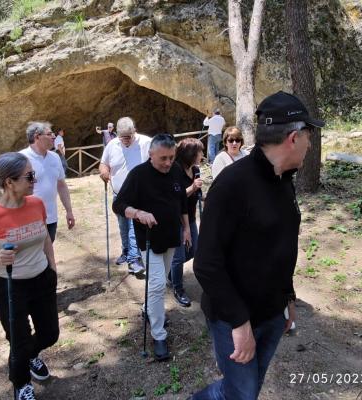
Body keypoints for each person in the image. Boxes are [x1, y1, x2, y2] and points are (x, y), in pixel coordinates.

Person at [191, 91, 325, 400]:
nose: (310, 143)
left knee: (245, 391)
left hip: (272, 314)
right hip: (234, 319)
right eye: (309, 135)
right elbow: (206, 264)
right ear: (293, 137)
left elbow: (279, 247)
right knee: (241, 394)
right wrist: (239, 323)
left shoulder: (283, 180)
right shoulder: (232, 185)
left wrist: (288, 296)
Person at [0, 152, 59, 400]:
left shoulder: (37, 204)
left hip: (42, 279)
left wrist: (52, 268)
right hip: (10, 286)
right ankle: (21, 384)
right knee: (18, 341)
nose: (35, 180)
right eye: (29, 176)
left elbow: (45, 240)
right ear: (9, 182)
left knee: (50, 334)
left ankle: (27, 356)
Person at [113, 134, 191, 360]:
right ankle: (159, 335)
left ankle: (149, 309)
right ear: (151, 154)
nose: (167, 163)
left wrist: (186, 228)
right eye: (163, 158)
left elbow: (182, 202)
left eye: (171, 157)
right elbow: (118, 204)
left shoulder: (175, 170)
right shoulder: (138, 175)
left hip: (171, 236)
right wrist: (138, 213)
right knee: (157, 285)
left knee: (160, 279)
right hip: (148, 239)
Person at [99, 117, 151, 275]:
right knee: (123, 226)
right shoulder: (112, 144)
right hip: (118, 195)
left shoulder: (146, 142)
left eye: (129, 137)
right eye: (123, 137)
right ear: (117, 134)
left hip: (138, 195)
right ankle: (126, 251)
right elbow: (103, 163)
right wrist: (104, 172)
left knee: (133, 226)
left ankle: (134, 259)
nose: (126, 140)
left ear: (134, 130)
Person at [20, 122, 75, 242]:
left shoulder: (55, 157)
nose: (54, 137)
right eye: (50, 134)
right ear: (37, 136)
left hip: (51, 218)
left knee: (48, 254)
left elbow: (61, 185)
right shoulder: (21, 158)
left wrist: (69, 211)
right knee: (33, 257)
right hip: (28, 220)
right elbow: (14, 190)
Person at [168, 138, 204, 307]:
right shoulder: (175, 170)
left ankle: (169, 272)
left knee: (194, 250)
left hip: (190, 216)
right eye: (200, 152)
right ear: (191, 154)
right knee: (178, 257)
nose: (202, 155)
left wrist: (202, 193)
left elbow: (197, 194)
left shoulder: (195, 169)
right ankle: (178, 288)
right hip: (176, 219)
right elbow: (175, 197)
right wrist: (193, 188)